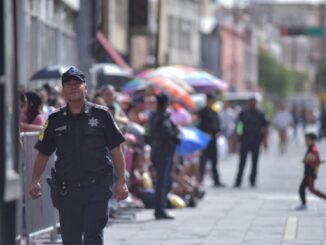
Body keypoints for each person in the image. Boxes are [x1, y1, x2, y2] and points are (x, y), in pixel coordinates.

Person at [29, 67, 129, 245]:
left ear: (86, 88)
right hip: (68, 192)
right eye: (69, 84)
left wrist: (121, 180)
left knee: (93, 237)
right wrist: (35, 179)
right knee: (71, 240)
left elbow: (116, 149)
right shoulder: (54, 120)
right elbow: (43, 152)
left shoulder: (102, 115)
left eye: (77, 83)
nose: (73, 87)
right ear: (63, 90)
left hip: (96, 189)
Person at [149, 93, 179, 219]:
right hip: (163, 152)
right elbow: (166, 135)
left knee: (163, 182)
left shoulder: (154, 116)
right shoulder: (162, 117)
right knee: (162, 182)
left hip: (158, 151)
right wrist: (175, 133)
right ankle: (160, 210)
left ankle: (160, 208)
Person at [234, 97, 269, 188]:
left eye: (254, 103)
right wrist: (237, 138)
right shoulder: (243, 113)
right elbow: (239, 126)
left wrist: (265, 140)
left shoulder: (260, 113)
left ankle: (252, 180)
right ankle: (238, 180)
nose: (252, 104)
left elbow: (265, 127)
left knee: (255, 162)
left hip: (256, 140)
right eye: (251, 102)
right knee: (242, 161)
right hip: (245, 139)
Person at [198, 93, 224, 187]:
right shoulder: (202, 112)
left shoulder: (214, 112)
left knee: (214, 160)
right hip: (204, 139)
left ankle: (216, 180)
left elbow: (217, 124)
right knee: (203, 160)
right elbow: (199, 125)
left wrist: (218, 132)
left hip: (213, 138)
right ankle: (200, 180)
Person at [297, 133, 326, 210]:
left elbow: (316, 159)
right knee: (302, 188)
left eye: (307, 140)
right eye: (305, 140)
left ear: (312, 141)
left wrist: (307, 161)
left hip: (310, 173)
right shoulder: (310, 148)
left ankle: (324, 197)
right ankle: (303, 203)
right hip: (307, 173)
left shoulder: (313, 149)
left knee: (311, 189)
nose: (306, 142)